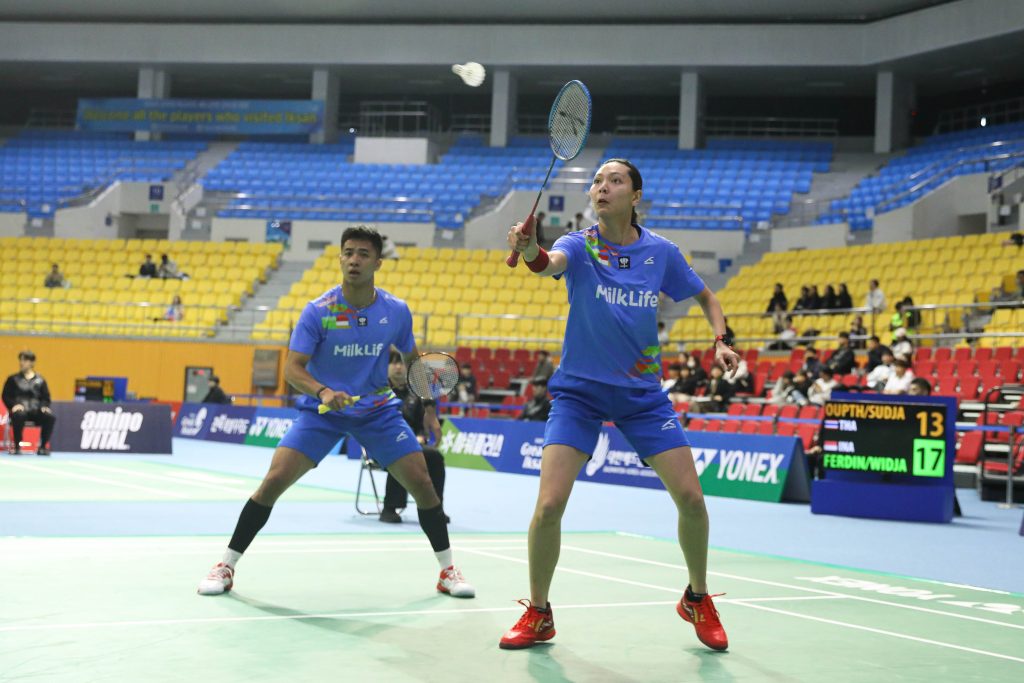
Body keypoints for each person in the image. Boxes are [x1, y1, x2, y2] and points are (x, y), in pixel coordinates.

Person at [502, 158, 737, 652]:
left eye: (615, 180)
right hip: (580, 394)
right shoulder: (580, 244)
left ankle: (697, 598)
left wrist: (721, 341)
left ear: (635, 196)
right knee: (549, 505)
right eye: (597, 181)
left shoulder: (661, 253)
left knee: (692, 500)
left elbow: (708, 299)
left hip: (642, 396)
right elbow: (548, 263)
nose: (602, 187)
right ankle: (539, 613)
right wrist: (529, 249)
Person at [196, 226, 474, 599]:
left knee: (423, 483)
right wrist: (323, 391)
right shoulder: (319, 311)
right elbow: (292, 369)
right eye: (348, 253)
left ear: (378, 262)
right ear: (340, 258)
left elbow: (413, 361)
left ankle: (447, 571)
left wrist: (428, 408)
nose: (354, 260)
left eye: (363, 254)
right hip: (323, 411)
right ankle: (226, 566)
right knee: (274, 480)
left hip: (377, 410)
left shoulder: (395, 311)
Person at [379, 351, 448, 525]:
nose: (398, 367)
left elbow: (421, 426)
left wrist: (420, 436)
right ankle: (389, 508)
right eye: (393, 363)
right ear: (385, 367)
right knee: (401, 453)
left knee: (434, 456)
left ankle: (435, 507)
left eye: (401, 363)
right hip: (381, 445)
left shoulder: (415, 395)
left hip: (411, 443)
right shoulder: (378, 390)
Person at [2, 351, 56, 455]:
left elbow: (46, 397)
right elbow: (5, 396)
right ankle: (17, 447)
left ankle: (42, 447)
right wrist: (13, 405)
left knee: (50, 417)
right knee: (18, 416)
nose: (21, 363)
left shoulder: (40, 380)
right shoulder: (12, 379)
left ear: (32, 362)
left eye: (25, 360)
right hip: (20, 410)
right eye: (21, 360)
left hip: (36, 411)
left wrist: (44, 406)